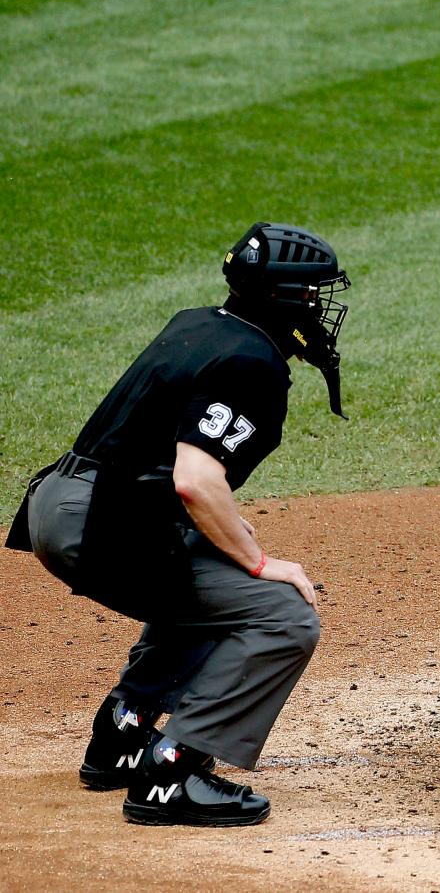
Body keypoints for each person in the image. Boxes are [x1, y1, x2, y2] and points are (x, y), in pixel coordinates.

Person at [5, 222, 351, 826]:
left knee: (208, 579)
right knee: (280, 613)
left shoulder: (200, 323)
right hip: (100, 519)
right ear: (285, 298)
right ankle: (174, 770)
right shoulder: (252, 363)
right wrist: (262, 562)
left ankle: (124, 731)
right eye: (311, 295)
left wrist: (235, 554)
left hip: (62, 501)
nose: (319, 309)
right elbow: (194, 479)